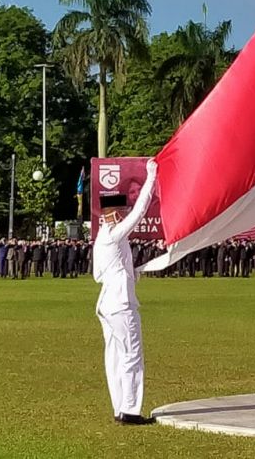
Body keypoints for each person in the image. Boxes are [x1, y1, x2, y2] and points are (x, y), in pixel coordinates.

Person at [94, 159, 157, 426]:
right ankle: (130, 410)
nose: (121, 214)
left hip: (107, 301)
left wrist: (134, 273)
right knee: (131, 354)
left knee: (115, 356)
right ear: (112, 215)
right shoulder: (112, 233)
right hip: (120, 303)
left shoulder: (101, 239)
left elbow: (104, 272)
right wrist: (151, 176)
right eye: (119, 211)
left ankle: (120, 407)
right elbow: (141, 210)